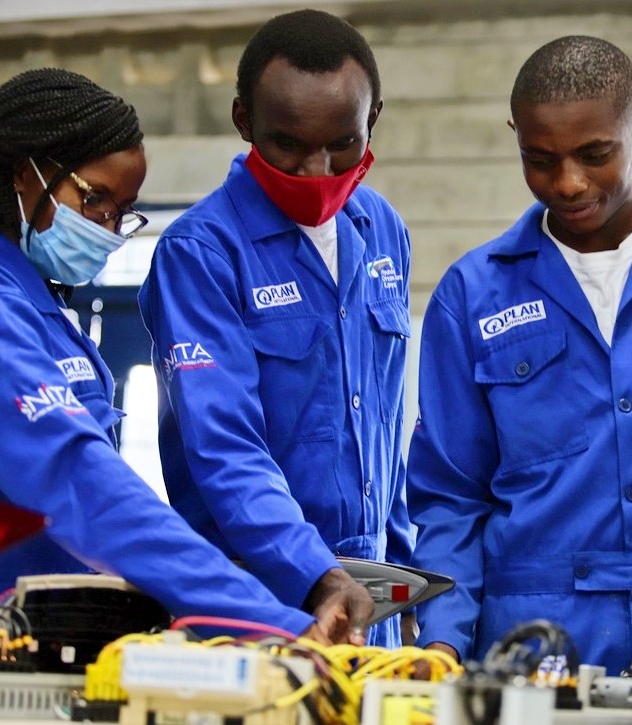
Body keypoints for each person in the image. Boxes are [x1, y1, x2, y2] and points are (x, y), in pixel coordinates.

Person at [0, 67, 346, 644]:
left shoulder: (42, 311)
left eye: (120, 211)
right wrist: (267, 619)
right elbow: (81, 482)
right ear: (21, 177)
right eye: (94, 198)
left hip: (41, 638)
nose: (106, 227)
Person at [408, 35, 632, 683]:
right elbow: (450, 498)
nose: (568, 182)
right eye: (539, 159)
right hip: (529, 649)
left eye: (594, 154)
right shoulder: (472, 294)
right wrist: (440, 641)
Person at [138, 8, 415, 647]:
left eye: (342, 143)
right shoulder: (203, 252)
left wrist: (404, 581)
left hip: (370, 602)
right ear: (245, 122)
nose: (317, 170)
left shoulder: (382, 230)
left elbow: (386, 422)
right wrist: (313, 574)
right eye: (288, 144)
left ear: (372, 121)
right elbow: (224, 448)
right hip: (258, 601)